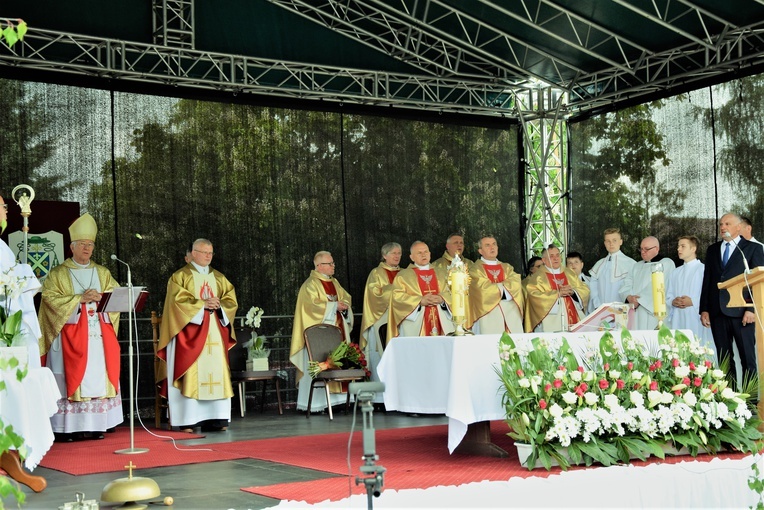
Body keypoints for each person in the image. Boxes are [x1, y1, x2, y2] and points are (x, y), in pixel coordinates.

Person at [38, 213, 122, 440]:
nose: (87, 248)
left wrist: (101, 297)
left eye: (91, 244)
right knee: (70, 376)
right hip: (68, 337)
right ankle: (67, 429)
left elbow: (115, 297)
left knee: (96, 374)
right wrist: (78, 299)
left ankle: (96, 426)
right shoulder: (58, 273)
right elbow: (49, 299)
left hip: (98, 336)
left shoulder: (102, 272)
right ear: (72, 246)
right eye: (83, 244)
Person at [157, 238, 238, 432]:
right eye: (204, 252)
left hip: (215, 332)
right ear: (193, 253)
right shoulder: (180, 277)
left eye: (211, 253)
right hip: (190, 335)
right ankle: (189, 420)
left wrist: (219, 306)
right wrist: (202, 305)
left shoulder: (219, 277)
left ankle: (217, 419)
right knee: (192, 371)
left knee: (216, 372)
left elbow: (230, 300)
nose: (208, 256)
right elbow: (176, 303)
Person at [700, 213, 764, 386]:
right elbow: (708, 280)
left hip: (742, 312)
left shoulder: (752, 249)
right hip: (717, 312)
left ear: (739, 227)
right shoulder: (712, 250)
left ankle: (749, 403)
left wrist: (751, 309)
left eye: (727, 224)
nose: (723, 227)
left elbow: (757, 281)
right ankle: (729, 400)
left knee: (747, 359)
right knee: (725, 360)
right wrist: (704, 309)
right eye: (721, 224)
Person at [290, 251, 353, 412]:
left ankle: (338, 402)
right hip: (317, 339)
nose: (333, 266)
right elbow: (309, 309)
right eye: (329, 263)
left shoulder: (335, 282)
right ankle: (317, 404)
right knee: (319, 361)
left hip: (337, 331)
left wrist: (344, 306)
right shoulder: (310, 285)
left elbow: (345, 298)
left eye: (333, 263)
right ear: (319, 266)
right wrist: (333, 307)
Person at [360, 242, 401, 403]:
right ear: (384, 255)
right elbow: (374, 296)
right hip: (381, 321)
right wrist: (396, 291)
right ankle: (380, 398)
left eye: (399, 253)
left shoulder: (406, 273)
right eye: (393, 253)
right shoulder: (376, 273)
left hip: (400, 321)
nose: (397, 256)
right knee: (380, 356)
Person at [387, 241, 453, 341]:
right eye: (419, 253)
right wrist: (419, 301)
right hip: (416, 322)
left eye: (426, 252)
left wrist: (442, 299)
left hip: (441, 320)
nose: (423, 255)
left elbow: (454, 293)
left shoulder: (442, 273)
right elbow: (397, 298)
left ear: (430, 254)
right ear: (411, 257)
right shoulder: (403, 275)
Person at [666, 236, 715, 357]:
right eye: (678, 246)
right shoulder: (675, 272)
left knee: (699, 348)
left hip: (696, 317)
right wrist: (673, 301)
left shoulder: (703, 269)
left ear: (693, 248)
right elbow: (668, 294)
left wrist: (693, 301)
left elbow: (710, 294)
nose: (679, 249)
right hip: (679, 316)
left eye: (683, 246)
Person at [524, 245, 589, 332]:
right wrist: (557, 294)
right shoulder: (538, 277)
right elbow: (534, 295)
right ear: (544, 260)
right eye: (551, 256)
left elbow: (584, 289)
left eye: (557, 255)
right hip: (551, 320)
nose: (556, 258)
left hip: (574, 317)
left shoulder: (569, 273)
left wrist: (573, 292)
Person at [468, 236, 524, 334]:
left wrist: (496, 288)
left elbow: (516, 283)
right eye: (487, 245)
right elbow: (483, 290)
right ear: (480, 251)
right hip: (488, 315)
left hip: (511, 315)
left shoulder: (507, 267)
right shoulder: (475, 270)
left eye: (494, 244)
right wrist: (505, 289)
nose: (492, 247)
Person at [620, 236, 676, 330]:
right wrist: (629, 297)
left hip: (654, 312)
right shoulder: (636, 266)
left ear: (657, 249)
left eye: (646, 249)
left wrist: (638, 300)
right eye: (641, 249)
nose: (642, 252)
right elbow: (626, 284)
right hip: (636, 313)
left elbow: (658, 286)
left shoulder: (666, 263)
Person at [588, 228, 636, 310]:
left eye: (614, 240)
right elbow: (593, 287)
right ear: (604, 243)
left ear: (621, 242)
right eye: (608, 241)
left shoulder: (631, 264)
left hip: (622, 311)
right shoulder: (599, 264)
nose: (611, 244)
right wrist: (597, 305)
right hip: (601, 310)